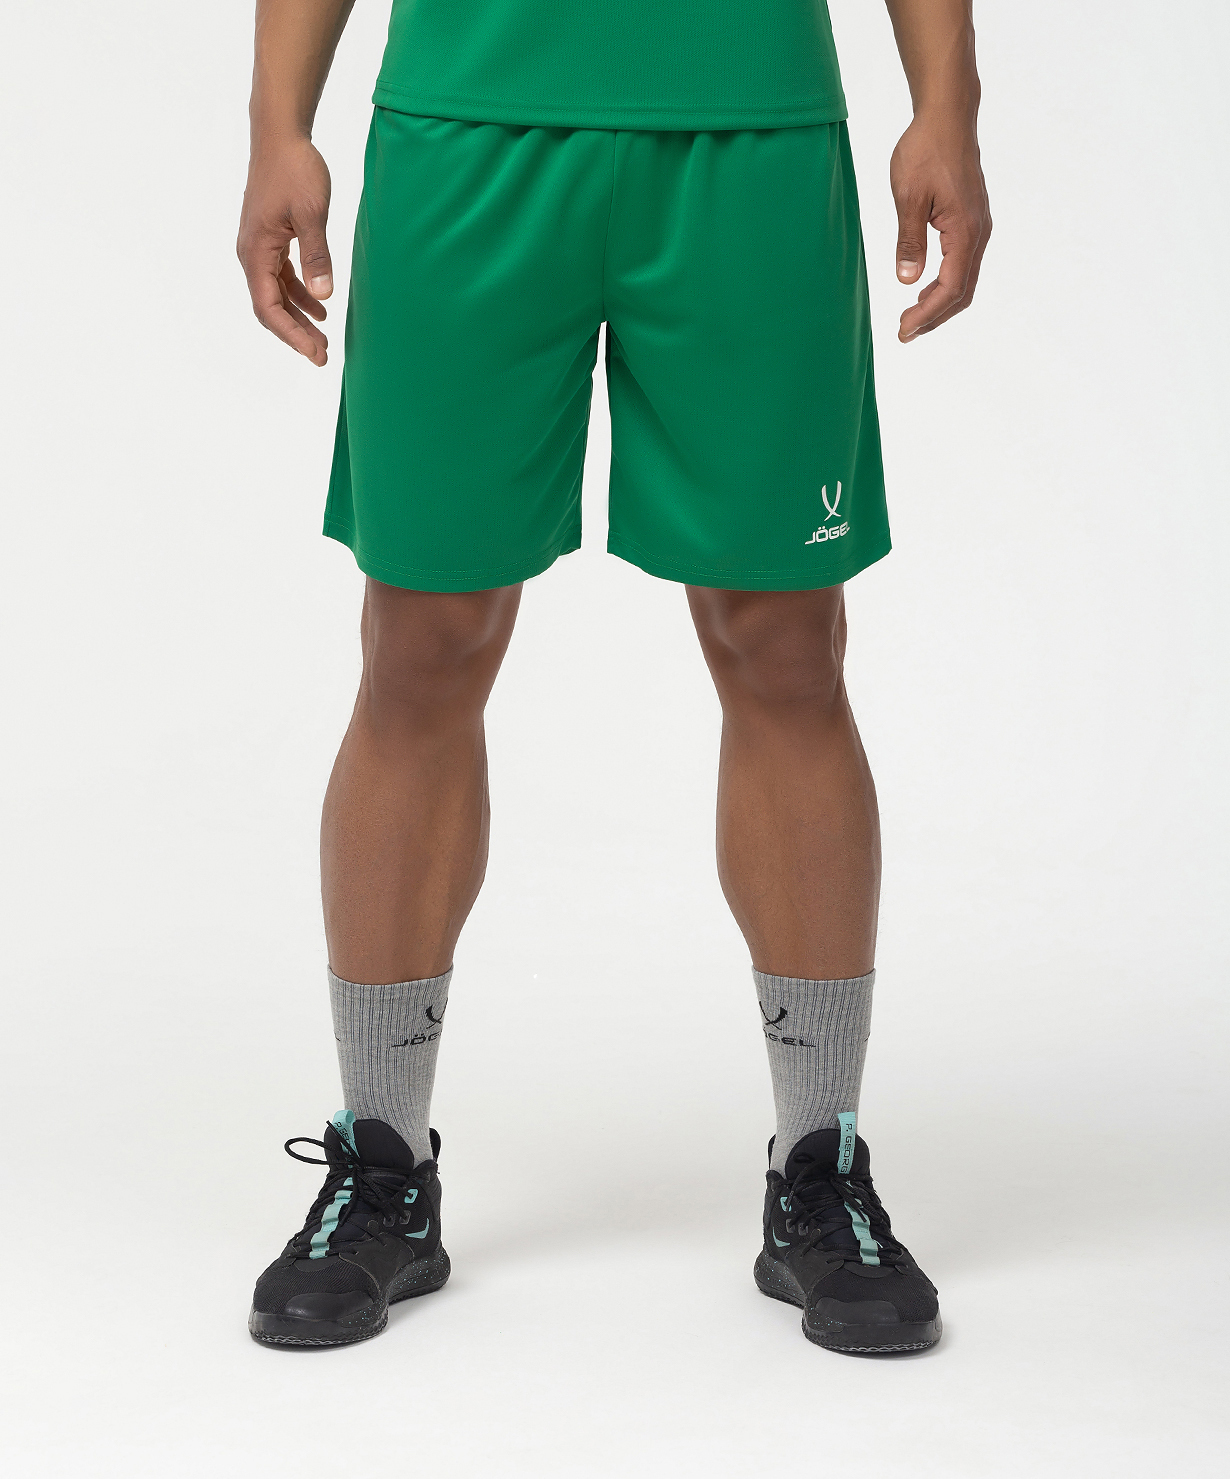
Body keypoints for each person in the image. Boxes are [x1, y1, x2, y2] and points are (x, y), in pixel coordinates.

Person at [237, 0, 990, 1354]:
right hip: (466, 124)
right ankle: (382, 1165)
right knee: (421, 640)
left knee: (784, 646)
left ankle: (819, 1164)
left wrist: (948, 106)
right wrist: (275, 123)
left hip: (748, 124)